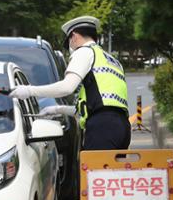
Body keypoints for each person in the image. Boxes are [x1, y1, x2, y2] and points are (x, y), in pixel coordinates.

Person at [9, 15, 130, 150]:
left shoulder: (84, 52)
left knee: (92, 170)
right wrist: (57, 109)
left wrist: (29, 91)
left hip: (103, 128)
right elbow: (100, 106)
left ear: (74, 36)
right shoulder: (112, 61)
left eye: (69, 43)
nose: (70, 47)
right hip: (122, 127)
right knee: (112, 171)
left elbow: (67, 87)